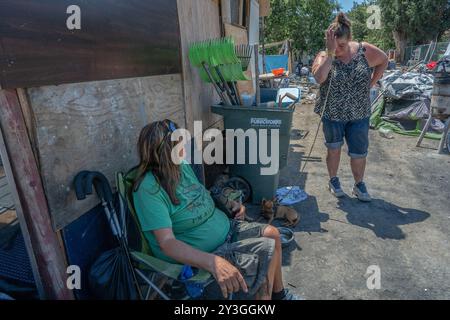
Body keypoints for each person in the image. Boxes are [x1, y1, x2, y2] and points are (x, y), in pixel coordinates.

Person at [132, 120, 300, 300]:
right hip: (209, 252)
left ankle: (279, 295)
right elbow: (167, 244)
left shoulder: (181, 167)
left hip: (226, 229)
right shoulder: (149, 190)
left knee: (273, 233)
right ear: (167, 150)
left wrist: (230, 204)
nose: (185, 144)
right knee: (265, 256)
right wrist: (212, 262)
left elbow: (202, 195)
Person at [312, 12, 388, 202]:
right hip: (333, 114)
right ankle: (333, 180)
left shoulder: (364, 51)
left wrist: (371, 83)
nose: (338, 50)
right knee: (334, 149)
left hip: (359, 113)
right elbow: (319, 78)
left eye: (342, 45)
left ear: (350, 39)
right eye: (334, 46)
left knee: (359, 152)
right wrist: (330, 53)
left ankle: (359, 184)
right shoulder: (325, 55)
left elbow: (384, 59)